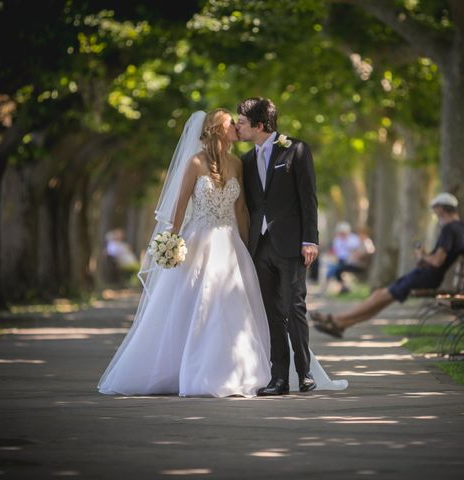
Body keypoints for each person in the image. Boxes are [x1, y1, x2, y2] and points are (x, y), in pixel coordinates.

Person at [98, 109, 346, 397]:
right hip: (198, 242)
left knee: (239, 306)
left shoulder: (238, 163)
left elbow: (241, 209)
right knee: (197, 304)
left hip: (230, 244)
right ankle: (189, 369)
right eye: (232, 124)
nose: (237, 129)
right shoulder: (195, 162)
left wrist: (247, 247)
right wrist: (170, 241)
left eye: (240, 124)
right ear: (218, 130)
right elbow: (179, 207)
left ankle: (246, 370)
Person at [237, 97, 324, 396]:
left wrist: (310, 239)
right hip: (259, 248)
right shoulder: (246, 161)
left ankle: (305, 373)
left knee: (294, 307)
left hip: (291, 245)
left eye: (242, 122)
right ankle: (279, 379)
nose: (237, 126)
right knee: (272, 313)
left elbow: (308, 198)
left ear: (259, 125)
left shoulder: (296, 150)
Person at [311, 192, 464, 338]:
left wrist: (422, 255)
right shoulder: (461, 228)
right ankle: (341, 323)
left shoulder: (449, 229)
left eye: (436, 210)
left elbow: (437, 261)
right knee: (379, 296)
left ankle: (336, 319)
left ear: (442, 209)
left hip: (426, 276)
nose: (435, 214)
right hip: (427, 275)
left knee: (380, 297)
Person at [326, 222, 364, 294]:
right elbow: (335, 251)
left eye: (343, 232)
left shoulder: (354, 239)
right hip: (340, 260)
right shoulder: (337, 239)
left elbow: (356, 251)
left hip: (352, 261)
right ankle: (342, 287)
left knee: (335, 270)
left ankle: (342, 288)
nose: (342, 234)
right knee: (332, 269)